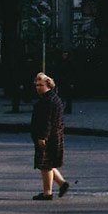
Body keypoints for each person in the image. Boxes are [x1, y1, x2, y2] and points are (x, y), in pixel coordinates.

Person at [30, 72, 71, 200]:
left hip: (49, 137)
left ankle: (47, 193)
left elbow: (47, 122)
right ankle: (62, 183)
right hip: (54, 136)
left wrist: (43, 137)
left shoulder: (48, 101)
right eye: (36, 85)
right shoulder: (52, 98)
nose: (38, 87)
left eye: (40, 85)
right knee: (49, 163)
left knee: (45, 165)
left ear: (48, 85)